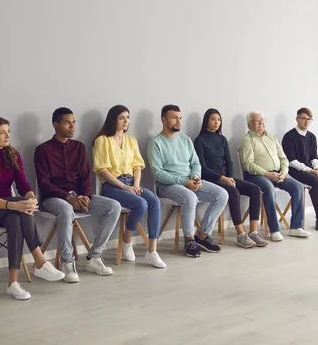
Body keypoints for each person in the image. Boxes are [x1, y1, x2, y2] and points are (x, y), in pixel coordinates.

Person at [0, 116, 65, 300]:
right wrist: (15, 204)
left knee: (16, 218)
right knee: (17, 210)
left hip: (6, 209)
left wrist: (32, 199)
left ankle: (13, 283)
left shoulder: (12, 155)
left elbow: (23, 185)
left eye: (8, 131)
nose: (7, 136)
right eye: (2, 132)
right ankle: (39, 260)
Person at [35, 107, 122, 282]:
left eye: (74, 122)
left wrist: (86, 197)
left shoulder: (79, 147)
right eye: (67, 122)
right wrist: (69, 197)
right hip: (53, 199)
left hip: (79, 196)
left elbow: (85, 177)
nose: (72, 126)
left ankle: (94, 257)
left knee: (113, 206)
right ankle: (67, 262)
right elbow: (44, 184)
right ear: (56, 125)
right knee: (66, 209)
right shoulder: (43, 150)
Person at [148, 105, 228, 258]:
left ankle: (202, 236)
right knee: (190, 197)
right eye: (173, 117)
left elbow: (195, 164)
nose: (178, 121)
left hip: (190, 181)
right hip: (168, 186)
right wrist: (184, 182)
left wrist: (196, 177)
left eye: (179, 118)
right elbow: (157, 173)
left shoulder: (185, 140)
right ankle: (189, 240)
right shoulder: (155, 142)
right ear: (163, 120)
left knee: (222, 194)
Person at [92, 105, 166, 268]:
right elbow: (102, 170)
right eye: (121, 118)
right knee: (141, 204)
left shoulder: (131, 140)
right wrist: (125, 188)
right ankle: (127, 239)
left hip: (132, 182)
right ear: (113, 119)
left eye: (127, 117)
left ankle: (152, 251)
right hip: (112, 186)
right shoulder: (102, 141)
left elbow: (137, 166)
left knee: (154, 201)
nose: (126, 121)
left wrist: (136, 185)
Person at [194, 108, 267, 248]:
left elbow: (229, 162)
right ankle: (241, 234)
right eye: (213, 119)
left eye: (219, 120)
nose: (217, 122)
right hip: (211, 178)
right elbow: (202, 168)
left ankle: (253, 232)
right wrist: (222, 178)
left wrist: (230, 177)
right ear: (206, 121)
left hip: (226, 177)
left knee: (255, 190)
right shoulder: (200, 140)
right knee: (233, 192)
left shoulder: (222, 139)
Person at [238, 111, 311, 241]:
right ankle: (274, 230)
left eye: (262, 119)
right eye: (257, 121)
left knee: (298, 187)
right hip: (256, 175)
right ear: (249, 125)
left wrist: (284, 171)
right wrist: (267, 174)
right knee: (269, 189)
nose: (261, 122)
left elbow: (283, 157)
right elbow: (247, 164)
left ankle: (296, 227)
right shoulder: (247, 140)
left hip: (278, 173)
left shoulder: (271, 137)